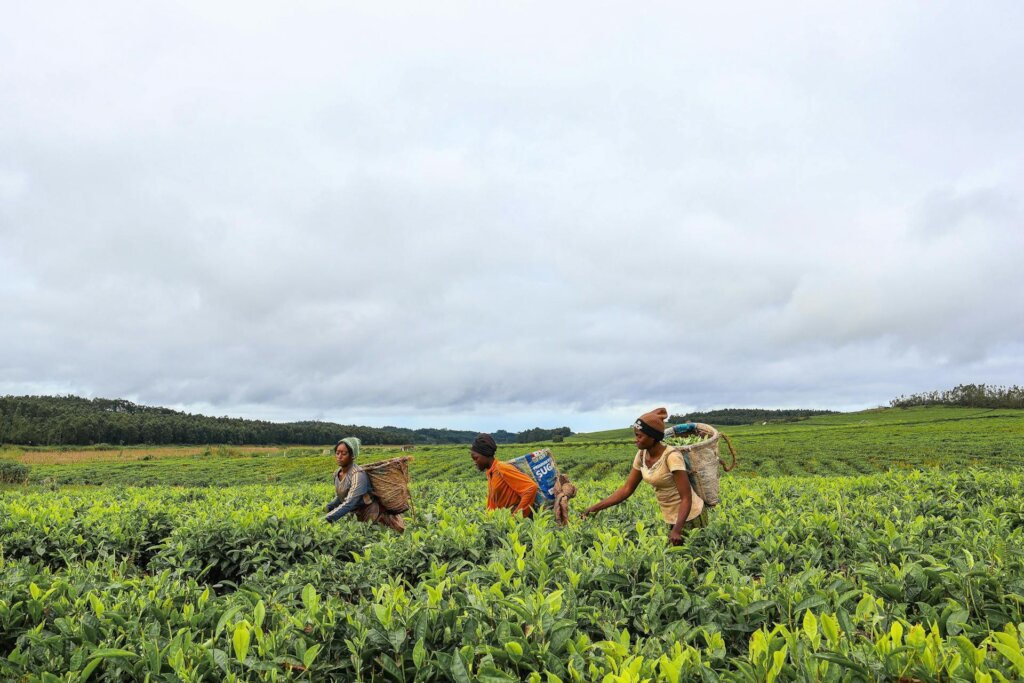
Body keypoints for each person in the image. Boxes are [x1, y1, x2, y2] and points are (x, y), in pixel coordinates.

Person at [581, 407, 707, 545]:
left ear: (652, 437)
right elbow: (626, 489)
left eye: (639, 436)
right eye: (635, 435)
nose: (636, 440)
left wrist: (677, 530)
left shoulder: (672, 457)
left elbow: (686, 498)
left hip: (690, 517)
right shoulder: (642, 455)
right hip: (670, 517)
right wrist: (594, 508)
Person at [324, 437, 405, 532]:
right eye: (337, 453)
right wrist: (328, 507)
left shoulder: (358, 474)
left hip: (372, 517)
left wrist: (328, 518)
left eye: (344, 453)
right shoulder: (337, 473)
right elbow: (341, 497)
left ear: (352, 456)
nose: (339, 456)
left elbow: (351, 502)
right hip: (357, 517)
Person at [470, 433, 539, 518]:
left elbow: (531, 488)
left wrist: (517, 517)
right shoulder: (490, 472)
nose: (475, 463)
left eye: (476, 458)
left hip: (519, 522)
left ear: (486, 454)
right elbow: (493, 501)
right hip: (505, 519)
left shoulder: (502, 468)